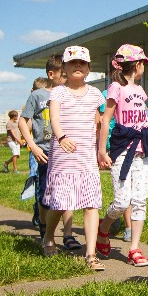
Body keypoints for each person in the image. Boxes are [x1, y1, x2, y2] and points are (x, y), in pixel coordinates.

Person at [42, 46, 106, 270]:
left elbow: (99, 124)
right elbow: (54, 119)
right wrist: (61, 137)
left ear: (88, 68)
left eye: (82, 63)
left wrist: (101, 151)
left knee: (91, 204)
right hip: (63, 157)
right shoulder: (58, 92)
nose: (77, 66)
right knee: (59, 204)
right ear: (64, 69)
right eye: (72, 63)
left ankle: (90, 254)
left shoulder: (96, 94)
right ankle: (49, 237)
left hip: (86, 158)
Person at [96, 44, 148, 267]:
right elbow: (106, 119)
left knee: (140, 200)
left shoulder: (140, 91)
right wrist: (102, 150)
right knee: (122, 201)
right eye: (143, 64)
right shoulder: (115, 88)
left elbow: (144, 123)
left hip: (142, 152)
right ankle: (103, 229)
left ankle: (134, 249)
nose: (144, 68)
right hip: (123, 150)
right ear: (137, 64)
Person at [18, 55, 76, 246]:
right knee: (46, 196)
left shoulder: (69, 94)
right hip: (44, 152)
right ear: (51, 74)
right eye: (63, 75)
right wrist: (32, 146)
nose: (66, 78)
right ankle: (44, 227)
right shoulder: (38, 96)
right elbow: (22, 121)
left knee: (67, 193)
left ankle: (67, 234)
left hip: (65, 152)